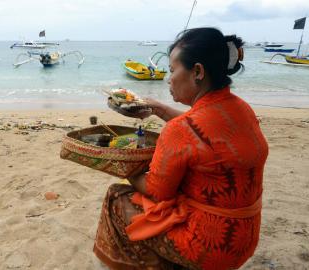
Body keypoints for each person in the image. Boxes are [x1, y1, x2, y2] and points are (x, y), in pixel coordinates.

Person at [93, 27, 269, 270]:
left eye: (173, 70)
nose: (168, 78)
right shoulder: (242, 110)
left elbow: (157, 192)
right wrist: (157, 109)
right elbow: (203, 129)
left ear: (197, 71)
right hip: (245, 237)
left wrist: (125, 166)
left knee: (115, 197)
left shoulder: (181, 129)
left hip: (209, 247)